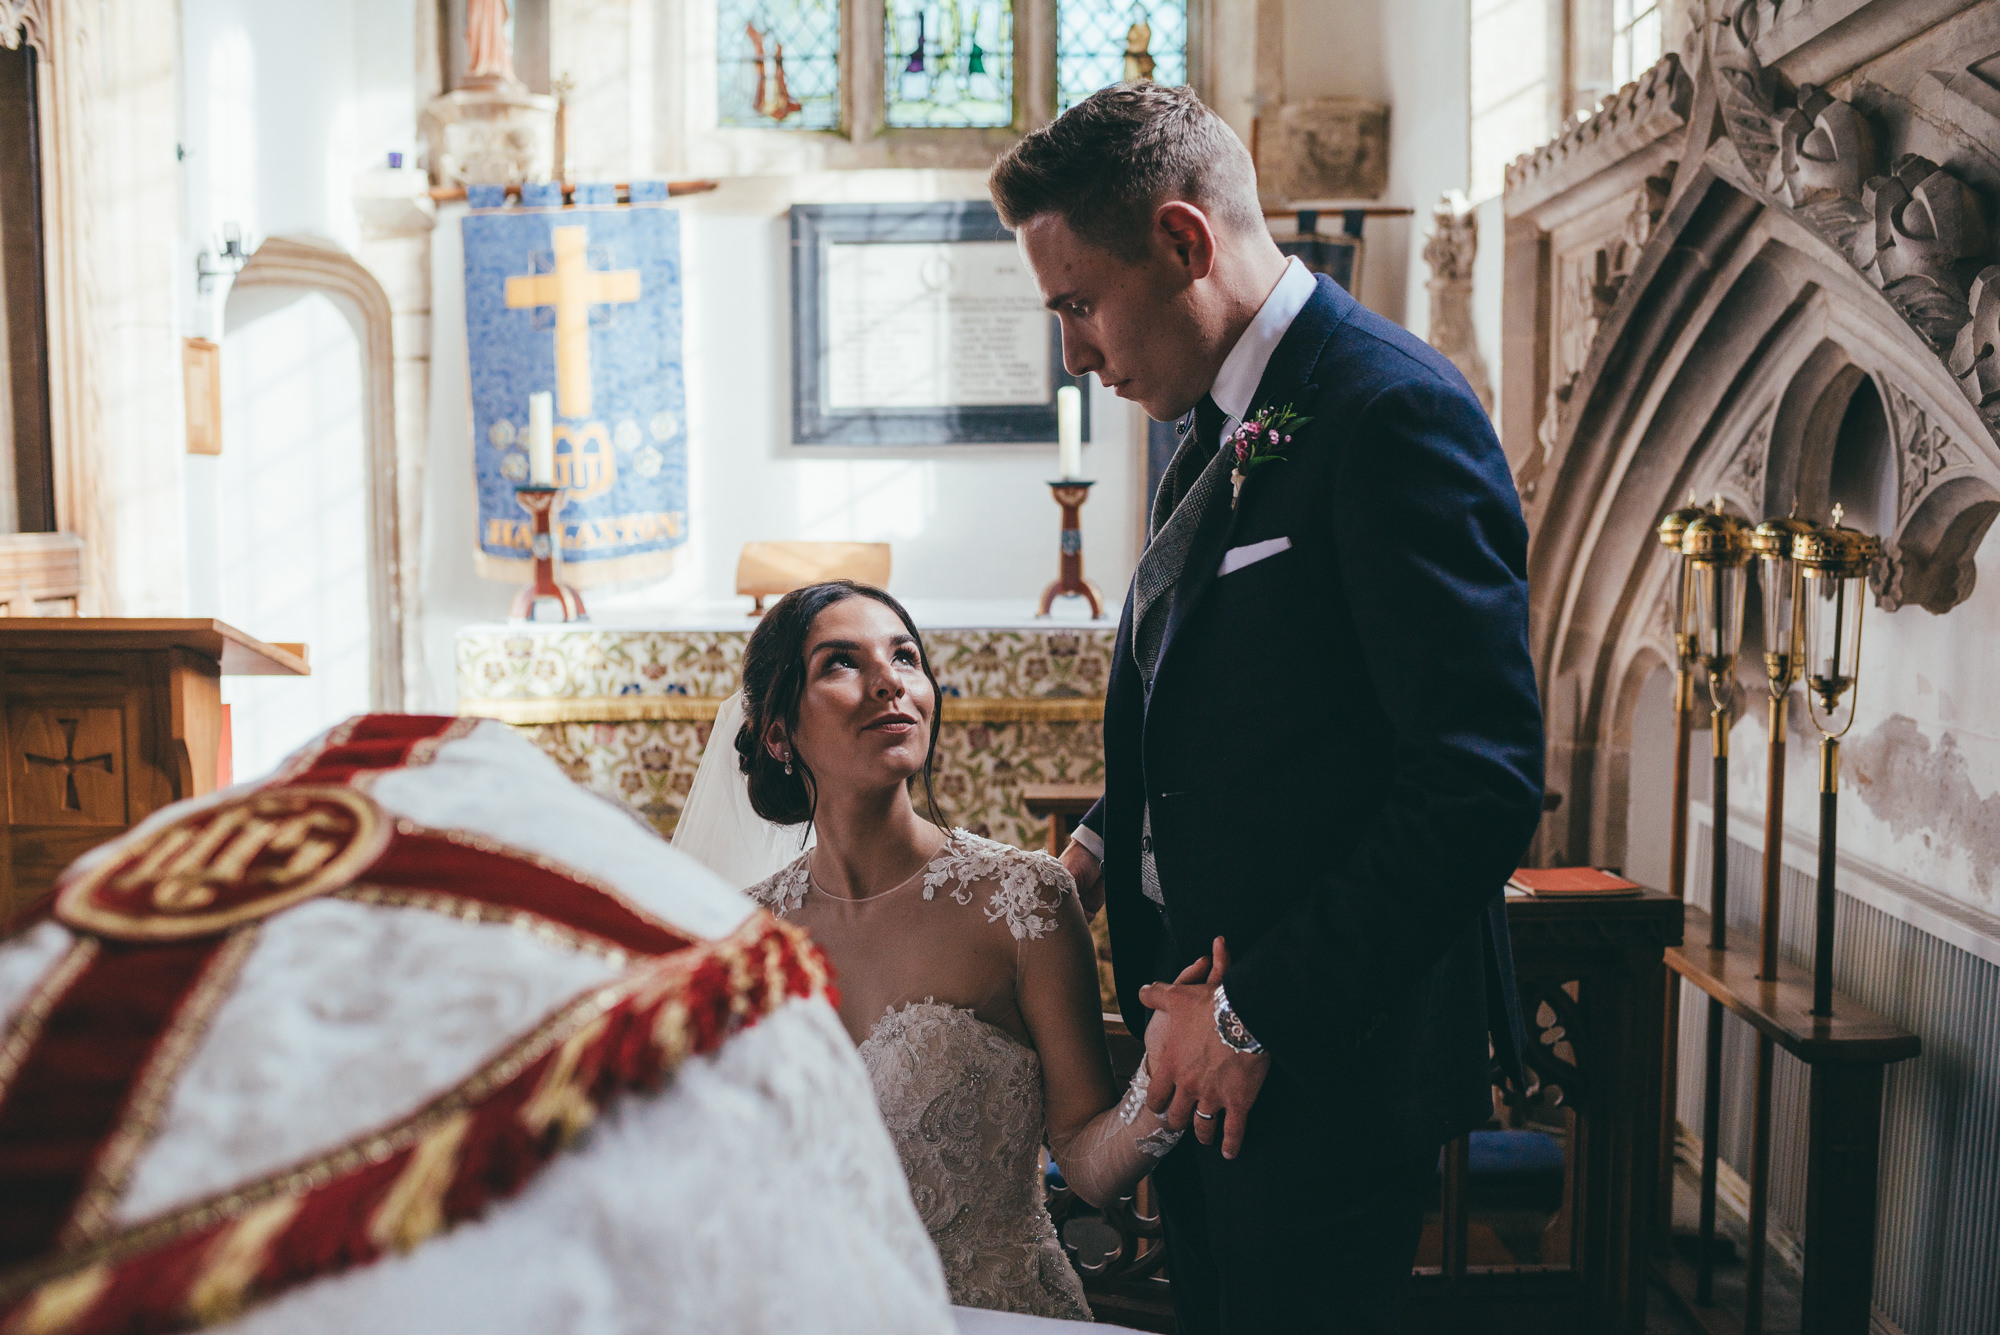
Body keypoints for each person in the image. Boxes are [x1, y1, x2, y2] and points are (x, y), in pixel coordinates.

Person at [989, 84, 1544, 1333]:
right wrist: (1086, 848)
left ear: (1184, 243)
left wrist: (1254, 1009)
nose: (1070, 353)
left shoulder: (1389, 411)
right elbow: (1237, 722)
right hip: (1201, 1051)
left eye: (1077, 304)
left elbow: (1476, 781)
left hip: (1319, 1056)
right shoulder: (1221, 419)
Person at [721, 580, 1186, 1321]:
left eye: (905, 657)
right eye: (841, 662)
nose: (889, 682)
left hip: (999, 1313)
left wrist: (1167, 1084)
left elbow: (1088, 1161)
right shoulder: (745, 936)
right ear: (778, 735)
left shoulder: (1023, 902)